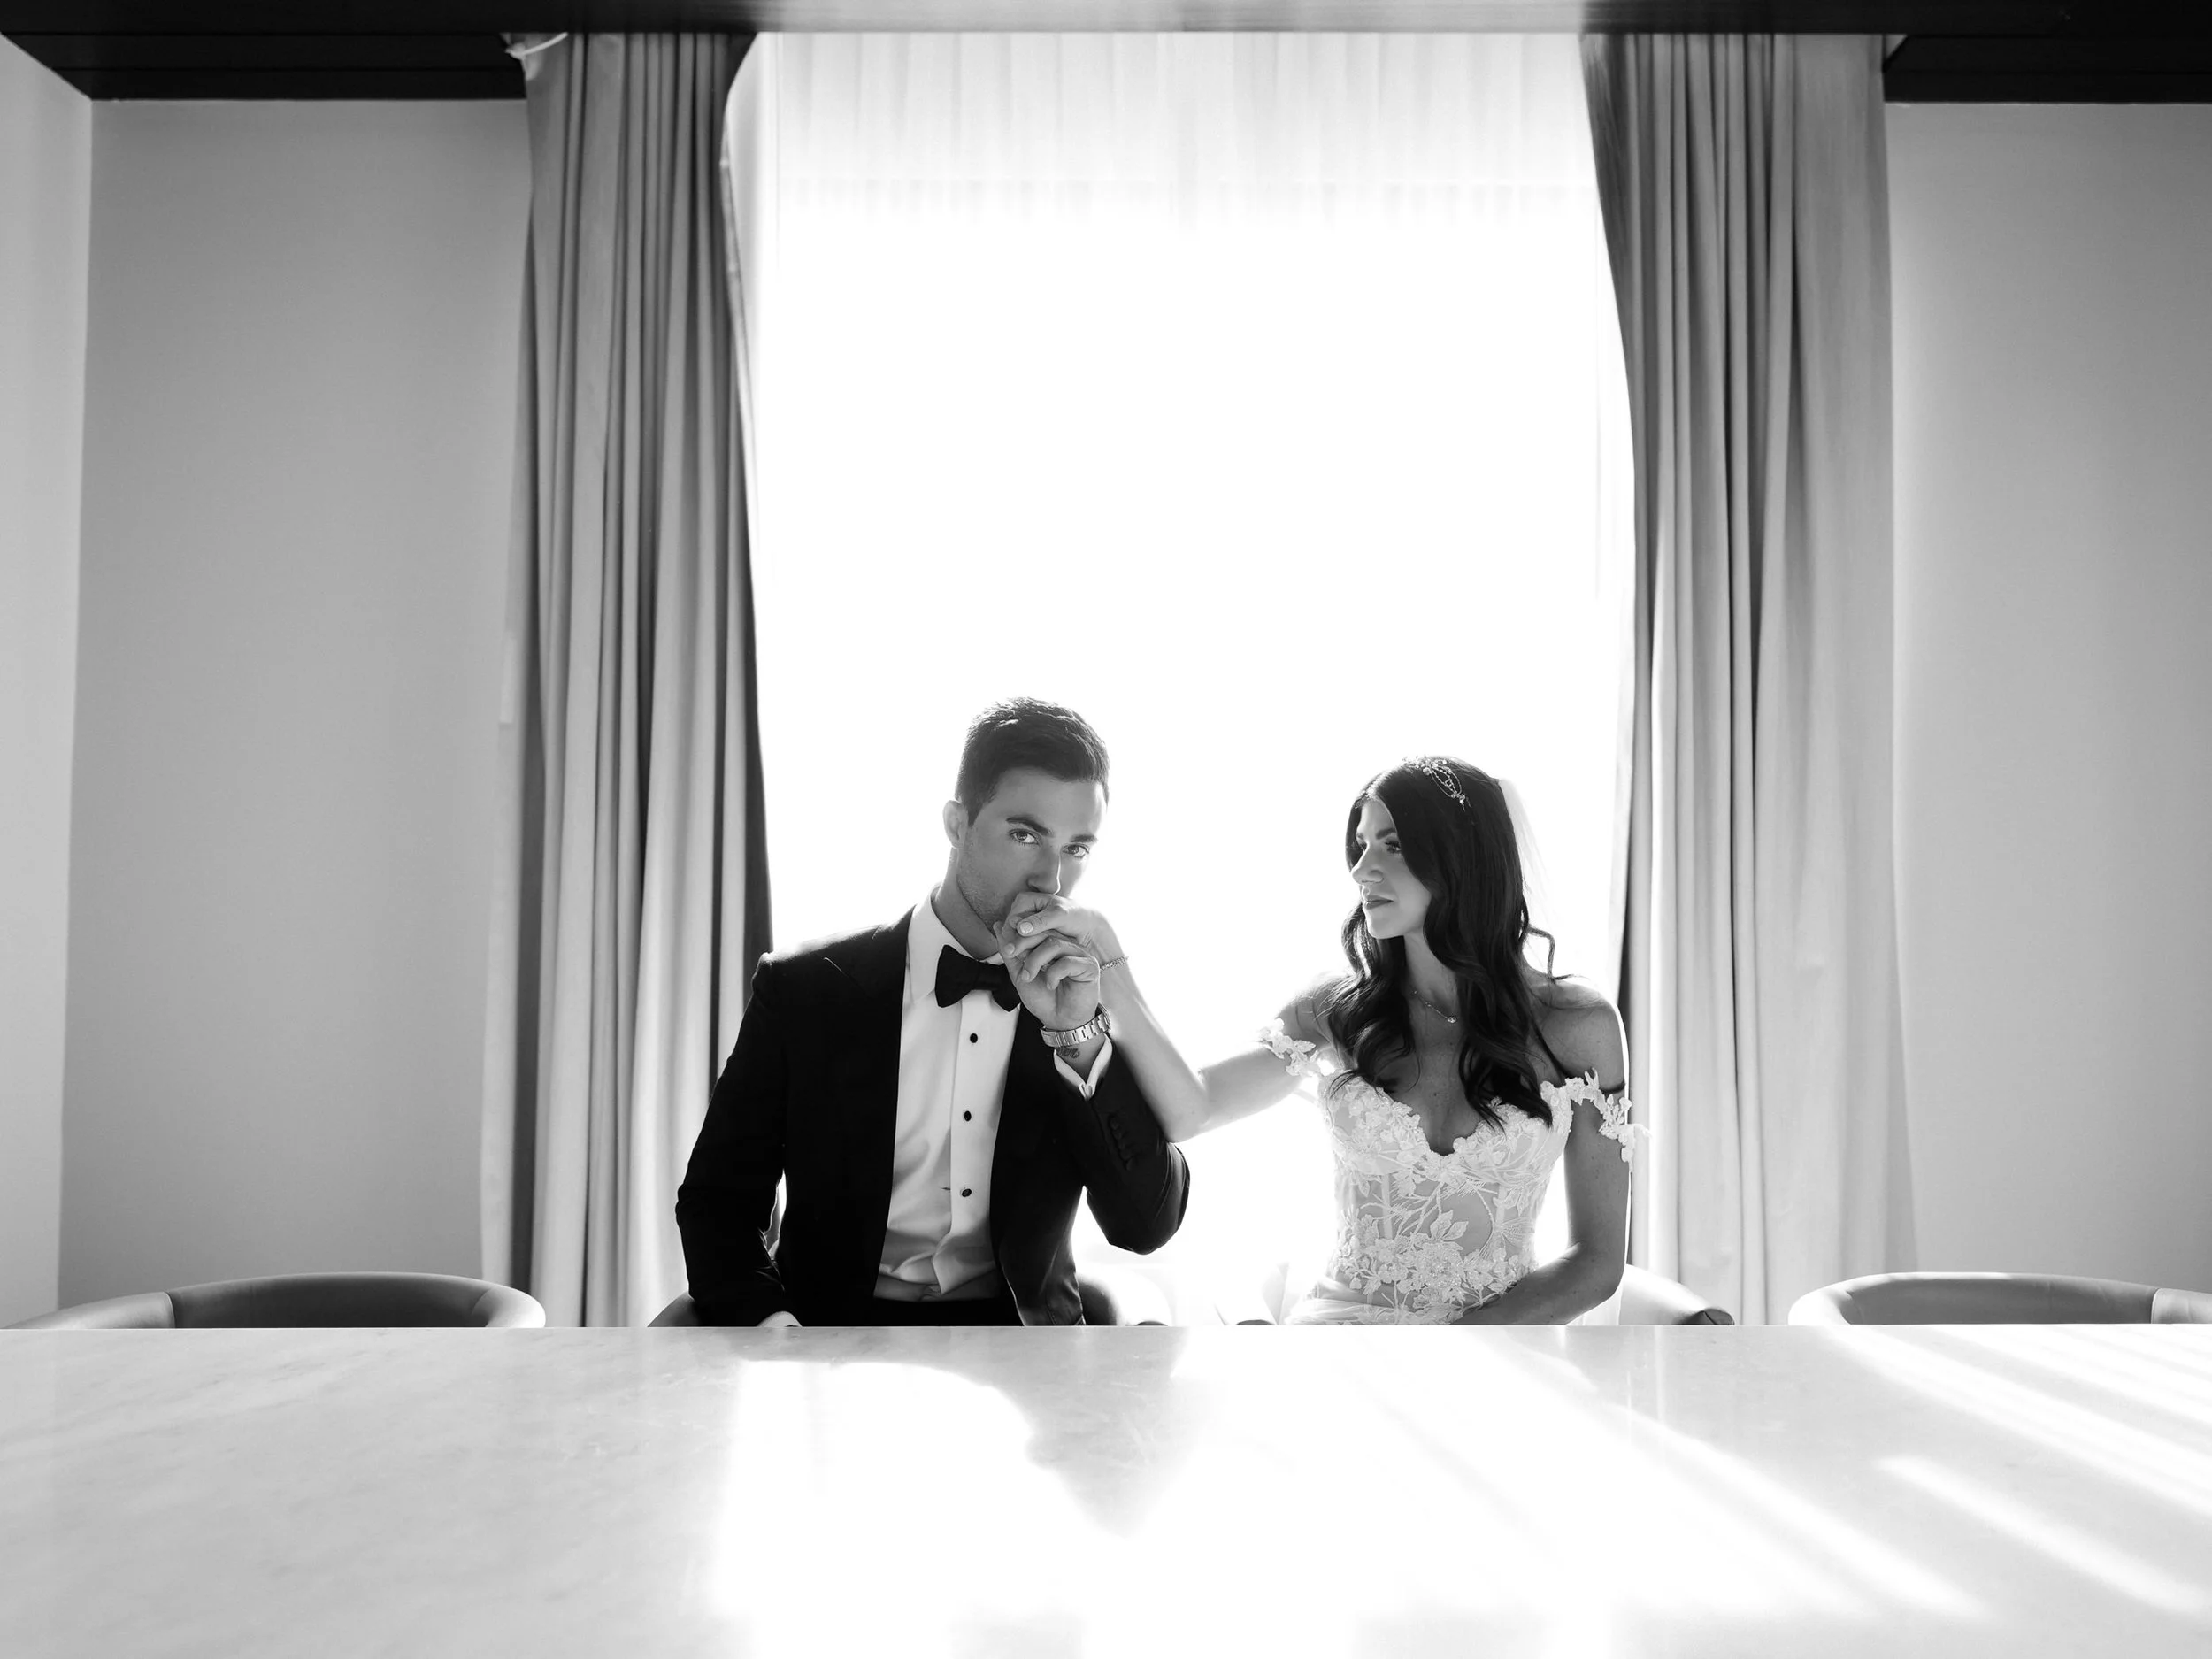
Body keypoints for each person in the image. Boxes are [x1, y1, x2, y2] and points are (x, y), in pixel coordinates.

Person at [1002, 756, 1636, 1325]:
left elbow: (1598, 1259)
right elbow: (1192, 1108)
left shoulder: (1578, 1026)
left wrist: (1463, 1348)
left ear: (1463, 856)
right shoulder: (1339, 1012)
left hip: (1504, 1356)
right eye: (1360, 845)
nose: (1362, 868)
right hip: (1342, 1346)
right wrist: (1109, 957)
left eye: (1390, 844)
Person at [675, 698, 1190, 1326]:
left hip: (1026, 1358)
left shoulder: (1084, 997)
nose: (1051, 878)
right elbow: (718, 1200)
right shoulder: (807, 989)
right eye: (1024, 835)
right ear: (956, 823)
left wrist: (1076, 1036)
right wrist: (773, 1330)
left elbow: (1146, 1225)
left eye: (1077, 849)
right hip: (831, 1343)